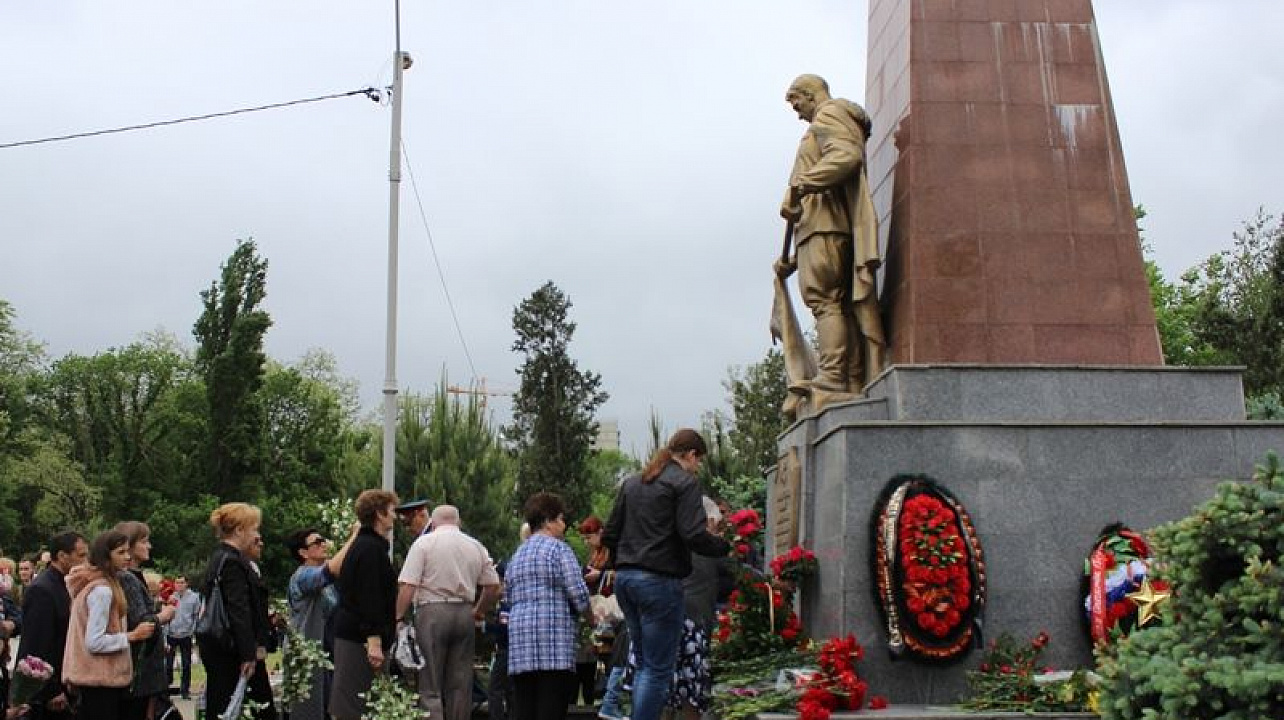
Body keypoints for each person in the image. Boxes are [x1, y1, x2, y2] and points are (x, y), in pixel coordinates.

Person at [602, 429, 730, 720]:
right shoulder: (685, 483)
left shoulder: (632, 483)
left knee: (644, 662)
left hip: (626, 580)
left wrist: (624, 562)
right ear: (691, 455)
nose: (697, 467)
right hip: (659, 582)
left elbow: (610, 533)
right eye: (699, 461)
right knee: (657, 669)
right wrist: (723, 546)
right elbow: (693, 534)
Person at [776, 73, 885, 395]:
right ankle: (849, 378)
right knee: (831, 302)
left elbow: (846, 156)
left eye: (795, 100)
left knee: (825, 301)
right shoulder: (823, 122)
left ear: (810, 94)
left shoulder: (829, 114)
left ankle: (834, 376)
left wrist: (801, 185)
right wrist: (794, 259)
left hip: (825, 224)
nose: (795, 110)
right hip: (817, 227)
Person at [396, 505, 501, 720]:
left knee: (430, 682)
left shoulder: (424, 543)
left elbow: (408, 585)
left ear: (433, 522)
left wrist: (397, 616)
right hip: (464, 611)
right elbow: (493, 586)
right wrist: (479, 611)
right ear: (458, 522)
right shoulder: (475, 545)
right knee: (461, 684)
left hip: (432, 611)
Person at [506, 493, 590, 720]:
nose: (563, 526)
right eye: (561, 519)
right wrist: (590, 617)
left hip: (520, 645)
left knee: (525, 708)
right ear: (548, 520)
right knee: (551, 707)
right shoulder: (559, 550)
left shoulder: (517, 555)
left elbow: (509, 596)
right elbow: (579, 594)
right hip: (553, 644)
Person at [62, 530, 156, 720]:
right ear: (106, 556)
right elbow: (94, 641)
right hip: (100, 681)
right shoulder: (102, 591)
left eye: (127, 551)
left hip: (96, 681)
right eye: (120, 552)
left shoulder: (100, 585)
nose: (127, 557)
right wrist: (132, 636)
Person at [198, 503, 276, 720]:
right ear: (239, 530)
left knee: (224, 702)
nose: (255, 535)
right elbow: (238, 610)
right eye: (253, 529)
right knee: (254, 706)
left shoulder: (220, 558)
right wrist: (248, 654)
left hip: (222, 647)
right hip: (233, 650)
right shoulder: (233, 562)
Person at [330, 490, 399, 720]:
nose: (395, 517)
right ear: (379, 514)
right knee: (357, 706)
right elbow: (369, 596)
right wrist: (374, 640)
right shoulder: (370, 549)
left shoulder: (368, 546)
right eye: (391, 511)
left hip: (356, 636)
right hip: (359, 639)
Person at [284, 524, 358, 720]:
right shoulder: (303, 576)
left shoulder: (327, 579)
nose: (323, 544)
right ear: (303, 552)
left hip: (326, 652)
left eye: (323, 540)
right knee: (309, 709)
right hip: (307, 656)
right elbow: (327, 573)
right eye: (317, 542)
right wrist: (355, 537)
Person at [16, 532, 88, 720]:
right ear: (62, 556)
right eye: (81, 555)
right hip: (49, 691)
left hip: (66, 682)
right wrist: (51, 690)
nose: (85, 561)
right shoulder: (42, 589)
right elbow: (37, 644)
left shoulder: (65, 584)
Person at [113, 522, 175, 720]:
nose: (149, 546)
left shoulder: (130, 577)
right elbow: (140, 622)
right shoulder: (127, 579)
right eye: (144, 541)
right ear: (129, 546)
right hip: (140, 675)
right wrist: (163, 615)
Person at [571, 517, 609, 707]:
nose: (587, 543)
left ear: (600, 532)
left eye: (589, 537)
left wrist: (600, 575)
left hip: (607, 608)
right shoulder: (595, 554)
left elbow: (615, 573)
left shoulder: (611, 552)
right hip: (594, 607)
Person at [165, 576, 200, 699]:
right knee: (168, 663)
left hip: (186, 634)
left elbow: (196, 615)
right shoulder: (171, 597)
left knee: (186, 663)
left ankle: (185, 690)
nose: (179, 585)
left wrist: (192, 631)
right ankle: (167, 687)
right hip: (172, 633)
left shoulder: (194, 597)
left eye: (182, 582)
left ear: (187, 584)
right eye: (177, 582)